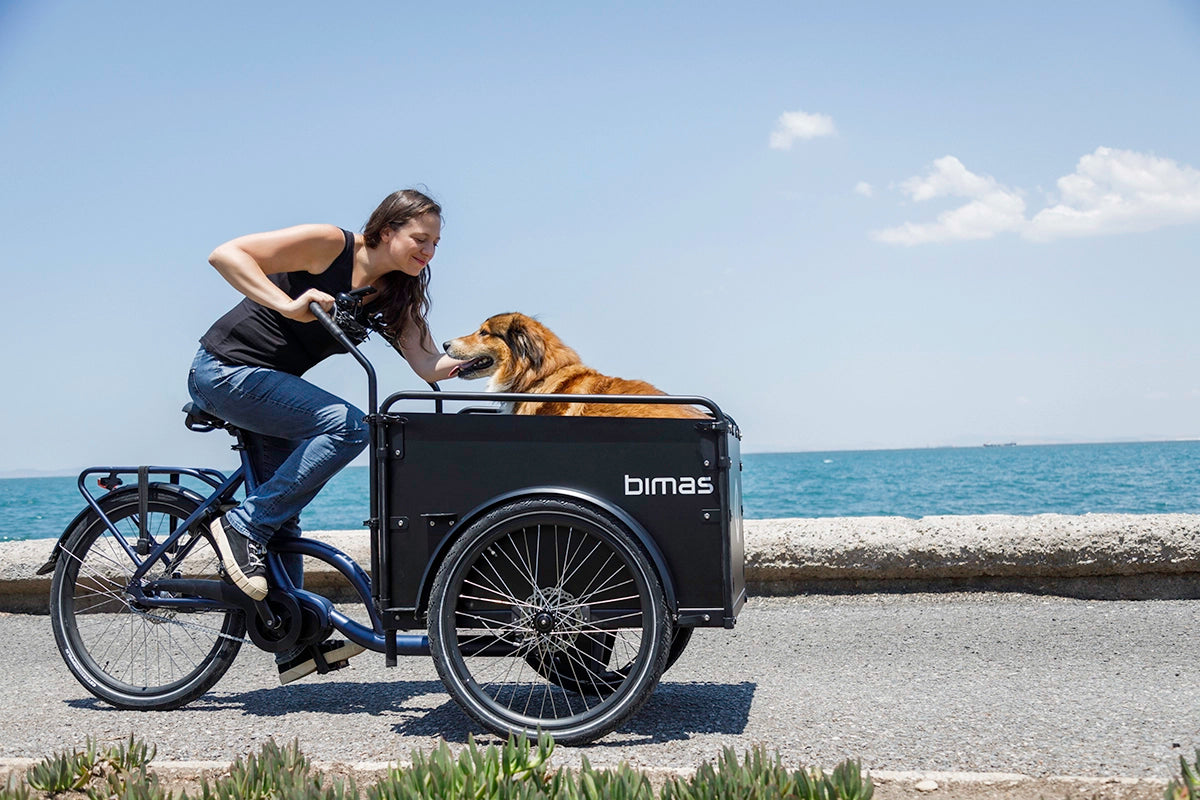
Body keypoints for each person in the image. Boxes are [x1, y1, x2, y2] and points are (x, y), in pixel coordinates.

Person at [187, 189, 465, 684]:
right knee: (347, 425)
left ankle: (290, 639)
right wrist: (288, 305)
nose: (428, 251)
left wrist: (493, 357)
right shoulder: (329, 245)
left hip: (271, 387)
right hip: (226, 371)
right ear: (385, 231)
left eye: (436, 244)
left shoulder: (394, 293)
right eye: (421, 238)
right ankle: (241, 526)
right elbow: (225, 255)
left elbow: (427, 364)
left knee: (284, 517)